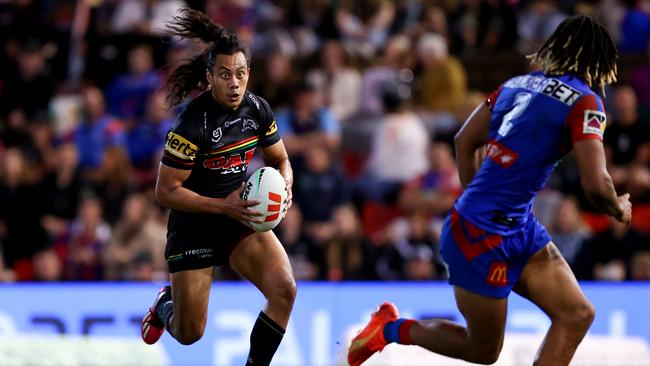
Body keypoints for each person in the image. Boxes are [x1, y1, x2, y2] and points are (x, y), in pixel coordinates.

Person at [348, 15, 632, 366]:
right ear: (598, 62)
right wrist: (619, 207)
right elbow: (596, 185)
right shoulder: (586, 101)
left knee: (576, 313)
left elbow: (464, 140)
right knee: (482, 350)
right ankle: (390, 329)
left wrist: (476, 201)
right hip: (482, 236)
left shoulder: (517, 84)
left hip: (511, 226)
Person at [140, 9, 296, 366]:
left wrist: (284, 188)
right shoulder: (191, 123)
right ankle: (165, 304)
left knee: (284, 290)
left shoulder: (258, 110)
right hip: (194, 223)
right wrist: (222, 206)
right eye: (225, 75)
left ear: (248, 74)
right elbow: (165, 192)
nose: (234, 83)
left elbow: (281, 161)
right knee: (189, 333)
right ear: (210, 77)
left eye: (240, 74)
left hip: (238, 213)